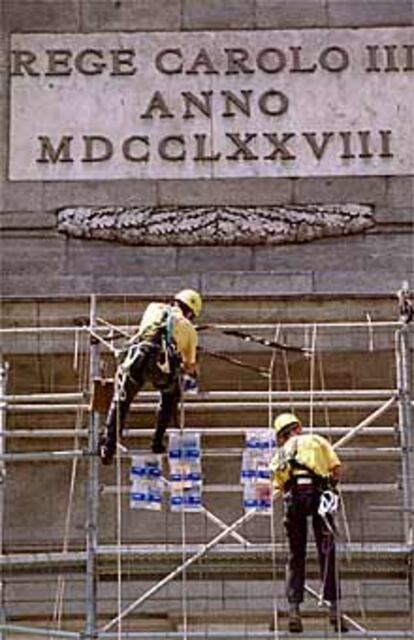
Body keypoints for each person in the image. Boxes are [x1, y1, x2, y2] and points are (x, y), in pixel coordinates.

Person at [99, 289, 201, 464]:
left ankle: (108, 447)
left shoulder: (153, 308)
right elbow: (188, 366)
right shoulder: (189, 329)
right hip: (160, 367)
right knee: (171, 395)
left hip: (138, 359)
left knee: (122, 400)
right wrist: (193, 370)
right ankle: (157, 442)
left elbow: (143, 331)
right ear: (190, 313)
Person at [270, 412, 348, 634]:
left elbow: (278, 483)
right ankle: (334, 609)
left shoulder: (281, 452)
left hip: (294, 499)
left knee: (296, 555)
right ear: (298, 427)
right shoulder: (316, 440)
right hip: (318, 496)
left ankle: (294, 610)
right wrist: (330, 485)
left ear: (281, 436)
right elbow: (336, 469)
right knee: (327, 552)